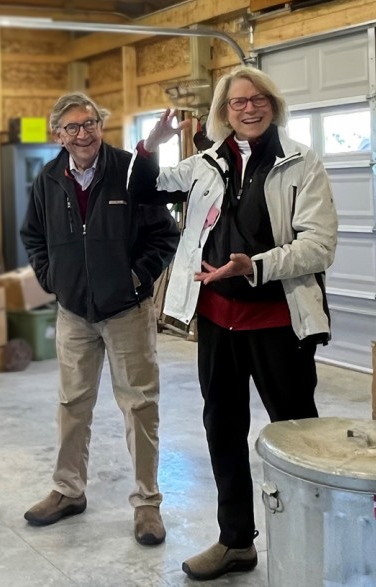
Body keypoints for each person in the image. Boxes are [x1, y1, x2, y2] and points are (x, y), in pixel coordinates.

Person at [140, 66, 337, 581]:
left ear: (272, 104)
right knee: (222, 429)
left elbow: (320, 245)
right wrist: (153, 143)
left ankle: (310, 545)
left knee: (298, 435)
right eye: (236, 103)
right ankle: (235, 543)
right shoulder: (205, 163)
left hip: (277, 322)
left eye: (257, 100)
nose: (248, 109)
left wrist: (257, 265)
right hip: (217, 322)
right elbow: (148, 185)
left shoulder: (300, 163)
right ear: (222, 113)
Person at [20, 92, 180, 546]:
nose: (83, 133)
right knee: (72, 404)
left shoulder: (129, 170)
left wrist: (135, 277)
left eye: (90, 123)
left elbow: (164, 234)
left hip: (126, 310)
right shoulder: (48, 179)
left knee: (139, 405)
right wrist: (53, 278)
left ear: (100, 126)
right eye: (72, 127)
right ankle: (69, 490)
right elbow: (33, 235)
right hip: (73, 311)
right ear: (59, 135)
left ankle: (147, 502)